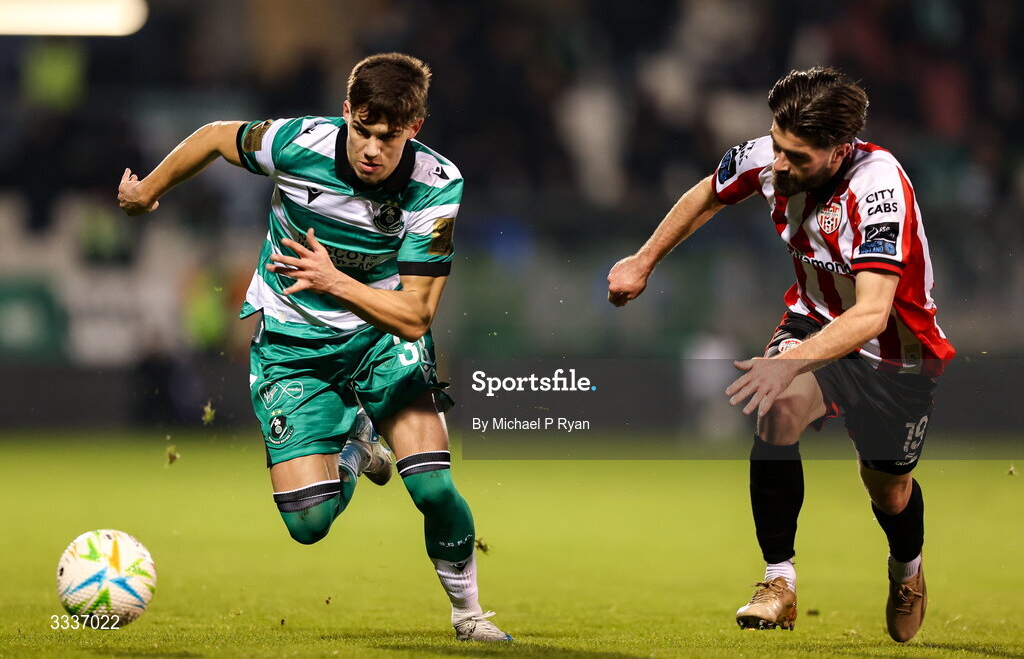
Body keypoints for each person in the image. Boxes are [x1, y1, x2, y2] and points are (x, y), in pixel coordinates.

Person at [118, 52, 512, 642]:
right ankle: (357, 444)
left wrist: (336, 282)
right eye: (362, 131)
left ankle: (469, 617)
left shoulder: (437, 184)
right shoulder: (297, 143)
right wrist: (150, 189)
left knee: (431, 485)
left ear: (414, 129)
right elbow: (217, 137)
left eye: (388, 137)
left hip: (382, 340)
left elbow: (415, 315)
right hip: (290, 347)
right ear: (345, 113)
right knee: (309, 523)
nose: (372, 149)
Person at [607, 67, 954, 643]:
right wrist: (643, 261)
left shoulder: (878, 188)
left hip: (897, 353)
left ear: (840, 149)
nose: (779, 165)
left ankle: (907, 570)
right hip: (814, 319)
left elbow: (870, 314)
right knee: (776, 410)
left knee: (888, 490)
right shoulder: (769, 155)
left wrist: (789, 361)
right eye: (778, 145)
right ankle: (778, 581)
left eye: (798, 155)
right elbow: (705, 194)